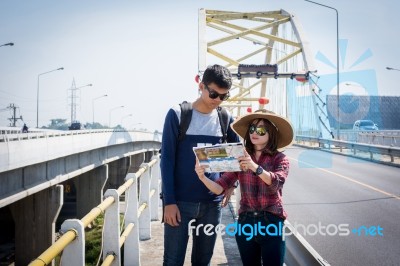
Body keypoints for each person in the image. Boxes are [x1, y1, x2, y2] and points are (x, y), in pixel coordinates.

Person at [160, 64, 239, 266]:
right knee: (172, 260)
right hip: (180, 203)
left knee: (203, 261)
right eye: (213, 94)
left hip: (212, 205)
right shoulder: (177, 114)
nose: (218, 100)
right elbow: (166, 161)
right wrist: (169, 202)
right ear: (201, 86)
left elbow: (239, 154)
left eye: (224, 96)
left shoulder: (225, 118)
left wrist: (231, 184)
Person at [195, 109, 294, 266]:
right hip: (245, 221)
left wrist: (255, 167)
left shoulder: (280, 158)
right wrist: (202, 177)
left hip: (271, 221)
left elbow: (276, 183)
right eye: (252, 129)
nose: (255, 133)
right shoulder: (239, 156)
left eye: (261, 130)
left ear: (271, 134)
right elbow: (220, 187)